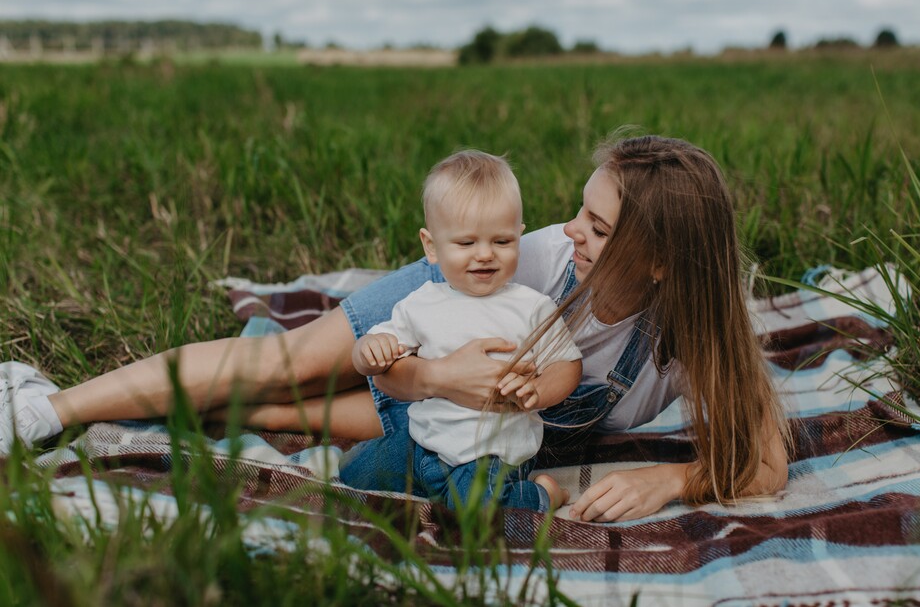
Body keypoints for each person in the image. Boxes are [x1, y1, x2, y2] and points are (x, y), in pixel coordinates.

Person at [0, 134, 789, 522]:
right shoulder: (527, 264)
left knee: (275, 414)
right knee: (285, 366)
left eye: (598, 224)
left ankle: (143, 409)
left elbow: (764, 461)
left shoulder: (697, 340)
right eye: (580, 210)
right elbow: (404, 372)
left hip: (450, 432)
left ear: (660, 262)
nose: (569, 230)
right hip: (427, 351)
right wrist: (440, 372)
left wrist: (670, 479)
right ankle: (48, 406)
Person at [341, 150, 582, 512]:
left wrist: (539, 390)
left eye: (501, 242)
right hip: (421, 442)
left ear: (519, 236)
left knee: (473, 510)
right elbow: (379, 353)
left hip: (492, 456)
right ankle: (410, 475)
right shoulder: (421, 302)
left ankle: (544, 494)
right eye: (466, 243)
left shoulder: (531, 306)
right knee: (353, 475)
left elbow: (568, 365)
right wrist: (368, 350)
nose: (484, 254)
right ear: (431, 246)